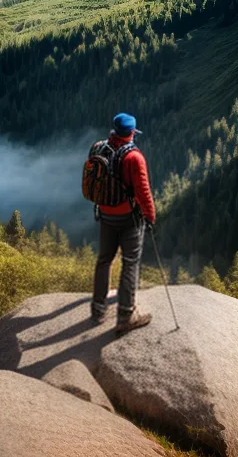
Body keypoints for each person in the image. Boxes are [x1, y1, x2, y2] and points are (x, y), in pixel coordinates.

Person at [91, 112, 156, 335]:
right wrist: (150, 215)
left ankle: (98, 308)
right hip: (129, 218)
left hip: (105, 214)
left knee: (104, 259)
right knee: (130, 262)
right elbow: (143, 191)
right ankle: (126, 315)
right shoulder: (133, 157)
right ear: (132, 132)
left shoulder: (98, 148)